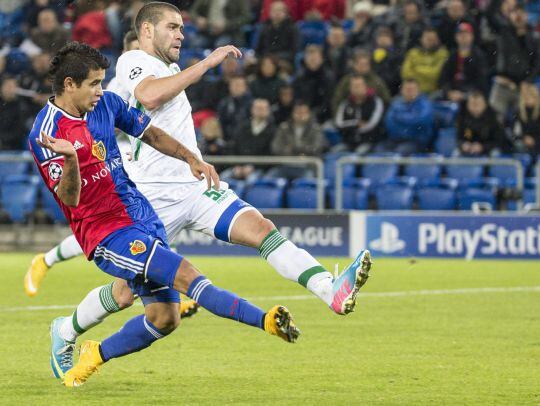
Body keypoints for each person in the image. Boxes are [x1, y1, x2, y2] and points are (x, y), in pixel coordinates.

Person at [28, 2, 372, 381]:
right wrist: (207, 64)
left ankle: (329, 289)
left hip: (191, 188)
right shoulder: (132, 61)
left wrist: (192, 157)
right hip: (152, 197)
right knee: (126, 294)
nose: (181, 34)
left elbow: (154, 128)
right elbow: (150, 95)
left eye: (182, 28)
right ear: (146, 31)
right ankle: (67, 330)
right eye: (172, 27)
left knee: (260, 229)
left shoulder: (160, 72)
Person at [29, 41, 299, 388]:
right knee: (188, 276)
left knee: (164, 318)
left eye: (101, 81)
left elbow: (150, 132)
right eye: (94, 84)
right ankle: (265, 320)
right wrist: (69, 159)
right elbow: (69, 197)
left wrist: (191, 158)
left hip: (141, 214)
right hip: (106, 232)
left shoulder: (107, 104)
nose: (102, 90)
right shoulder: (46, 132)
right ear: (69, 84)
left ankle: (93, 353)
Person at [333, 75, 385, 153]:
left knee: (359, 153)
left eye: (359, 85)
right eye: (354, 86)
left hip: (369, 142)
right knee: (334, 152)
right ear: (350, 88)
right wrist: (356, 124)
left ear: (365, 86)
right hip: (349, 142)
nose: (357, 88)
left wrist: (351, 128)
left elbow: (373, 124)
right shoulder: (345, 104)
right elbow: (339, 124)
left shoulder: (376, 101)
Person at [380, 79, 434, 154]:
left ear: (418, 91)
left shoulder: (425, 104)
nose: (409, 92)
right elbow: (389, 122)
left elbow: (422, 121)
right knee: (377, 153)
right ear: (401, 90)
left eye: (412, 89)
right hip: (393, 140)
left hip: (416, 142)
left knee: (398, 153)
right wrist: (409, 120)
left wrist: (400, 118)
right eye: (407, 89)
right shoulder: (396, 103)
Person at [456, 90, 506, 156]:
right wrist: (463, 144)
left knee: (496, 153)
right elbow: (459, 137)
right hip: (469, 150)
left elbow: (499, 141)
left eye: (477, 104)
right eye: (472, 104)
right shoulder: (463, 117)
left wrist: (482, 147)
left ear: (485, 104)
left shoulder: (494, 117)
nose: (474, 107)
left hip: (488, 150)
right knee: (456, 153)